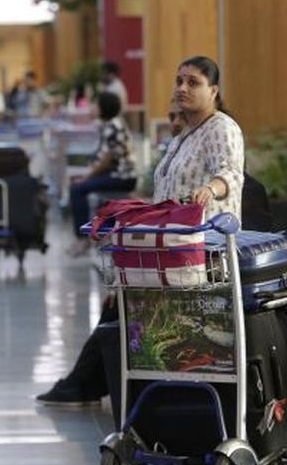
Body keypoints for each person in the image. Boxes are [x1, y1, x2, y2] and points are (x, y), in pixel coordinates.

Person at [37, 55, 245, 407]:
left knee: (121, 309)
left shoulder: (221, 128)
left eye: (193, 82)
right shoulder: (184, 135)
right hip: (169, 253)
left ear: (214, 90)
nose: (182, 88)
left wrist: (211, 189)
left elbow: (231, 172)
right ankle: (95, 386)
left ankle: (85, 385)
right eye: (179, 80)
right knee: (120, 306)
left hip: (202, 257)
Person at [67, 92, 137, 255]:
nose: (93, 108)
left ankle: (82, 238)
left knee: (77, 189)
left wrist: (87, 177)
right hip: (115, 174)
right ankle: (93, 233)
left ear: (104, 107)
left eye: (95, 105)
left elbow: (106, 160)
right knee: (78, 185)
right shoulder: (110, 124)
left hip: (122, 177)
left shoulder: (113, 125)